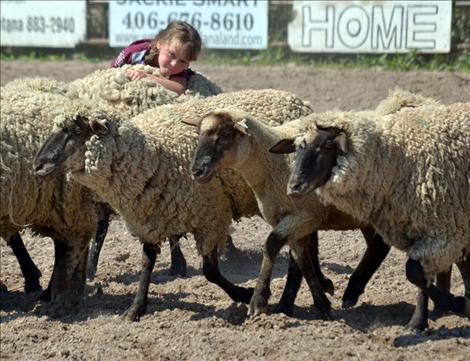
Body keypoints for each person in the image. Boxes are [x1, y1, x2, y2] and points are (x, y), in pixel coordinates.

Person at [111, 21, 202, 95]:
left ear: (188, 63)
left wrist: (146, 76)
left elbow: (179, 88)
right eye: (171, 55)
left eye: (183, 61)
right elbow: (111, 71)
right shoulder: (135, 52)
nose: (174, 65)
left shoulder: (179, 69)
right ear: (159, 44)